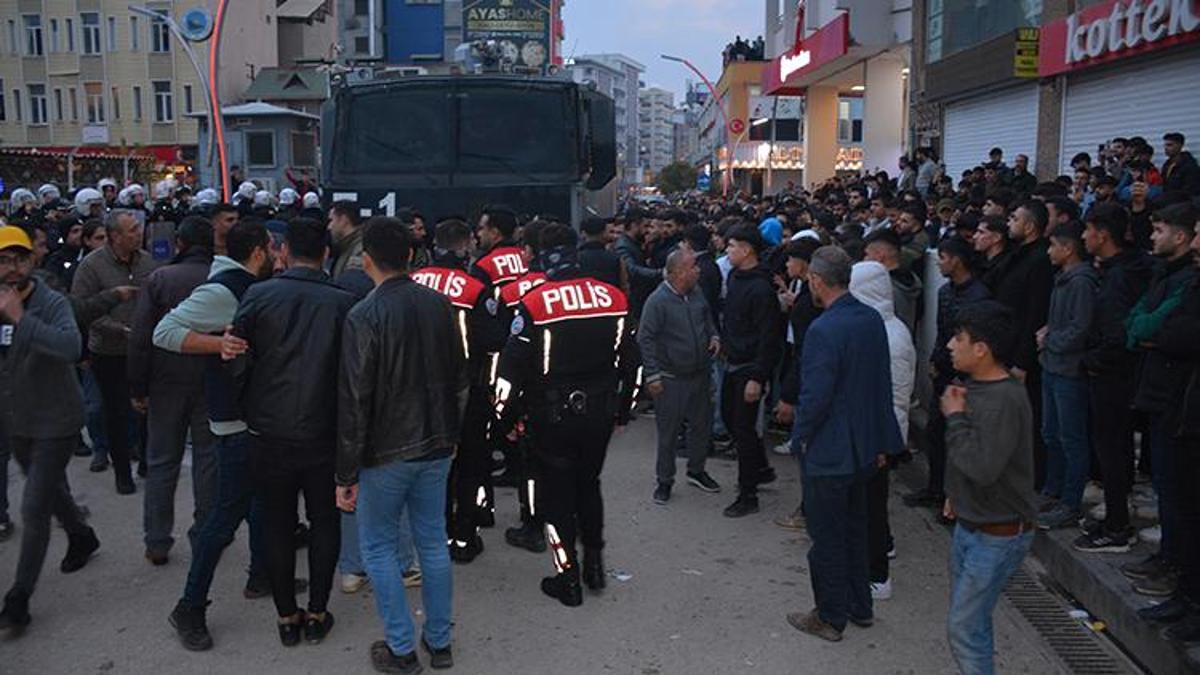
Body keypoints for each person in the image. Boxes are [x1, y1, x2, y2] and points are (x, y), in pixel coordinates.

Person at [336, 217, 467, 672]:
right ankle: (439, 641)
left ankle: (400, 647)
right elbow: (461, 380)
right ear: (411, 256)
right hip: (436, 444)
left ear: (365, 259)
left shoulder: (364, 315)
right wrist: (452, 436)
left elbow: (354, 400)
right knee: (432, 542)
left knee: (378, 547)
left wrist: (345, 473)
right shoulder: (440, 305)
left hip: (384, 452)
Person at [223, 218, 355, 646]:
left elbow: (237, 358)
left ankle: (285, 617)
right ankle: (317, 611)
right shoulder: (342, 301)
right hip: (323, 432)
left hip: (268, 431)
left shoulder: (258, 296)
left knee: (276, 524)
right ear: (326, 254)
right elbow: (353, 375)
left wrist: (251, 409)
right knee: (324, 521)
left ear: (283, 251)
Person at [493, 222, 633, 607]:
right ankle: (596, 566)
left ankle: (567, 577)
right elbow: (631, 360)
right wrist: (625, 410)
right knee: (589, 486)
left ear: (542, 256)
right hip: (600, 413)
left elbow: (510, 367)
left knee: (557, 496)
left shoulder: (536, 303)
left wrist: (502, 419)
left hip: (551, 415)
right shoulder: (612, 297)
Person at [156, 220, 276, 651]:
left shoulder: (243, 283)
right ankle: (189, 606)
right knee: (224, 517)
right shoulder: (223, 288)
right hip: (235, 420)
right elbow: (164, 332)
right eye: (272, 249)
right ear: (259, 252)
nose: (278, 256)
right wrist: (217, 345)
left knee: (260, 504)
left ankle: (261, 575)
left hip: (252, 416)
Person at [787, 246, 903, 642]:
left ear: (817, 281)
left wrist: (799, 436)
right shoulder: (871, 320)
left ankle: (830, 616)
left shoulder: (824, 329)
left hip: (831, 451)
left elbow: (815, 396)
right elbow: (880, 385)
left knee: (827, 538)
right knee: (856, 529)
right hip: (864, 449)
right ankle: (859, 605)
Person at [0, 226, 100, 633]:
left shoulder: (51, 302)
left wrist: (21, 319)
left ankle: (18, 598)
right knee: (49, 490)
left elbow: (70, 348)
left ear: (32, 261)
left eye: (18, 259)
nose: (10, 268)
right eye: (2, 260)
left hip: (56, 420)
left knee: (33, 505)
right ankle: (80, 533)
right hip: (14, 420)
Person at [941, 301, 1037, 675]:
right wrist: (955, 494)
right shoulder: (976, 387)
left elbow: (982, 467)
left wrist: (956, 419)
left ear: (981, 349)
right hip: (973, 524)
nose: (950, 345)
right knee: (973, 623)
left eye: (958, 338)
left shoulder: (1003, 399)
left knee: (964, 627)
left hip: (996, 536)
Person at [128, 217, 217, 566]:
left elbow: (140, 338)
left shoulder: (160, 279)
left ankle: (157, 540)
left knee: (162, 461)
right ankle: (206, 534)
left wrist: (137, 385)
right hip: (212, 379)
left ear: (179, 243)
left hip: (166, 382)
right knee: (208, 462)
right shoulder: (220, 277)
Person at [1123, 203, 1199, 598]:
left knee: (1179, 494)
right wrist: (1144, 331)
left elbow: (1165, 330)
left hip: (1177, 398)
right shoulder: (1165, 273)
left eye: (1159, 230)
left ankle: (1178, 569)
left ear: (1181, 236)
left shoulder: (1187, 279)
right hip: (1157, 391)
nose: (1152, 236)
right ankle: (1168, 558)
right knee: (1167, 488)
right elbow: (1136, 319)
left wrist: (1147, 331)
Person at [411, 219, 497, 564]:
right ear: (466, 247)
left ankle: (435, 535)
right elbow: (493, 340)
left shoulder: (412, 283)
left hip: (417, 389)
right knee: (470, 463)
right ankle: (463, 536)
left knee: (432, 465)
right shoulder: (476, 285)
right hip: (467, 388)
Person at [1075, 204, 1154, 552]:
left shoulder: (1121, 277)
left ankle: (1117, 527)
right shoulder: (1121, 269)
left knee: (1113, 450)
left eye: (1087, 231)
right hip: (1115, 375)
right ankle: (1116, 519)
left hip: (1113, 378)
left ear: (1102, 235)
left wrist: (1091, 360)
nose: (1083, 237)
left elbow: (1117, 335)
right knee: (1114, 450)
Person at [71, 209, 157, 495]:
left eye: (138, 228)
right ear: (114, 237)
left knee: (148, 409)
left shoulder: (147, 261)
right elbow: (83, 309)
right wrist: (119, 329)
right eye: (131, 230)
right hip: (109, 351)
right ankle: (123, 473)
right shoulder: (92, 266)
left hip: (144, 350)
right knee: (116, 412)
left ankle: (146, 460)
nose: (138, 233)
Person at [906, 236, 991, 514]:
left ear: (956, 259)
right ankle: (936, 489)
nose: (940, 263)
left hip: (965, 376)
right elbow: (944, 333)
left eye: (943, 258)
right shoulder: (945, 292)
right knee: (936, 432)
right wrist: (936, 360)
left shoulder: (978, 295)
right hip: (944, 371)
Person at [849, 261, 915, 602]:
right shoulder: (877, 328)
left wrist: (884, 442)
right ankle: (879, 551)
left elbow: (895, 397)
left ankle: (877, 575)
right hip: (874, 433)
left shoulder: (889, 336)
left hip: (879, 436)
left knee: (872, 505)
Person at [639, 247, 721, 505]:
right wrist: (653, 375)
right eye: (693, 266)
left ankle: (697, 470)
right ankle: (665, 480)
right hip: (670, 378)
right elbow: (646, 339)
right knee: (669, 433)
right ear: (678, 273)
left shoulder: (697, 294)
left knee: (701, 427)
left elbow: (708, 319)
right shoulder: (657, 301)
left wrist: (714, 336)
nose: (698, 270)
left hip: (699, 374)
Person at [1036, 222, 1099, 530]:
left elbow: (1080, 328)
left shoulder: (1082, 282)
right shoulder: (1063, 279)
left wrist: (1051, 340)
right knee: (1051, 433)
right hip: (1051, 365)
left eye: (1053, 246)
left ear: (1068, 248)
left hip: (1069, 371)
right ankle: (1053, 489)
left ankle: (1070, 503)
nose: (1049, 251)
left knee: (1071, 438)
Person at [720, 226, 784, 518]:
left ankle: (748, 494)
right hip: (731, 361)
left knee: (743, 430)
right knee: (732, 421)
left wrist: (758, 377)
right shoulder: (735, 277)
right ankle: (761, 468)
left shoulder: (761, 289)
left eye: (732, 246)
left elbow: (769, 337)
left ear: (747, 250)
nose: (727, 251)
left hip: (750, 368)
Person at [991, 200, 1054, 490]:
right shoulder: (1017, 255)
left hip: (1021, 355)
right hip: (1004, 347)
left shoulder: (1040, 260)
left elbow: (1034, 313)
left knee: (1027, 423)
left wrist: (1022, 361)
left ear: (1029, 226)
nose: (1008, 223)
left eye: (1014, 218)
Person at [862, 228, 921, 336]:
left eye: (867, 254)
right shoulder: (910, 281)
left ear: (880, 256)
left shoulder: (884, 288)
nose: (865, 259)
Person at [328, 201, 372, 298]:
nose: (329, 227)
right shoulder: (346, 246)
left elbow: (354, 287)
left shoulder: (360, 248)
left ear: (343, 220)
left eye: (331, 220)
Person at [578, 216, 624, 288]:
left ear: (583, 233)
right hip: (610, 296)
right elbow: (624, 286)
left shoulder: (576, 258)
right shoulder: (615, 258)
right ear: (604, 232)